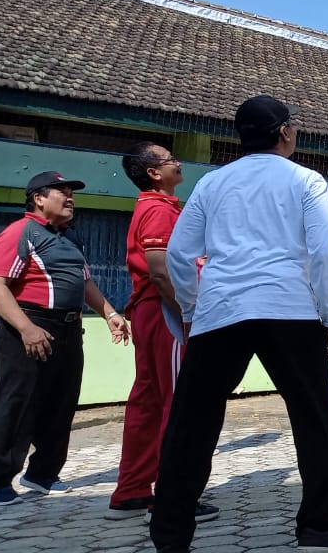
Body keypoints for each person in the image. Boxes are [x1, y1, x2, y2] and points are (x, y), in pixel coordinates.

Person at [150, 95, 328, 553]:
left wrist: (191, 312)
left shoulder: (211, 183)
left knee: (192, 424)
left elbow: (179, 256)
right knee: (313, 419)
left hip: (220, 309)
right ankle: (318, 528)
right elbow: (325, 251)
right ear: (284, 132)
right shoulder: (306, 180)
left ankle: (170, 536)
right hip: (288, 307)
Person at [0, 172, 130, 507]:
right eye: (61, 192)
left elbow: (86, 284)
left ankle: (42, 474)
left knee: (60, 406)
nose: (69, 198)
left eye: (72, 193)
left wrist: (110, 313)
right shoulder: (21, 233)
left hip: (67, 331)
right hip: (27, 327)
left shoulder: (70, 238)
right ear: (38, 198)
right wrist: (26, 328)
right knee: (15, 405)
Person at [107, 144, 219, 523]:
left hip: (152, 312)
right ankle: (175, 497)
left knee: (150, 403)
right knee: (179, 405)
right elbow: (159, 270)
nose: (177, 162)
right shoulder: (157, 209)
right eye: (169, 158)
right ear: (154, 172)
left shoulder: (162, 206)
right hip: (165, 312)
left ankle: (132, 491)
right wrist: (188, 316)